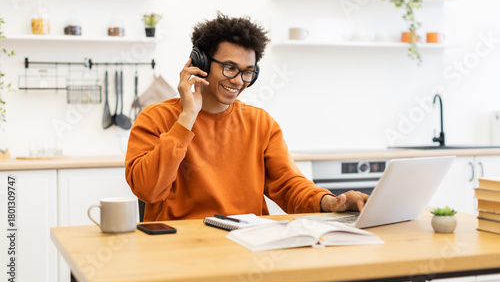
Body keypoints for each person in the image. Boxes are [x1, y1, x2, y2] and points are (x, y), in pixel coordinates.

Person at [125, 13, 368, 221]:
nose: (239, 81)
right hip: (180, 247)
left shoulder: (260, 123)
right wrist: (187, 116)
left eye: (248, 72)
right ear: (201, 63)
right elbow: (148, 190)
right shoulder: (156, 118)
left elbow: (289, 184)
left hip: (248, 244)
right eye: (230, 68)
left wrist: (330, 202)